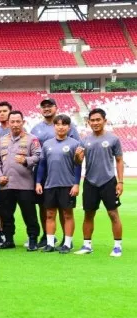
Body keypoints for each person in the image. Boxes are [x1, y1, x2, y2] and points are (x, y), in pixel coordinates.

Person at [30, 98, 80, 248]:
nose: (46, 108)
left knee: (66, 212)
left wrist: (76, 183)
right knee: (45, 209)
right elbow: (41, 160)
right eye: (43, 106)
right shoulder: (36, 129)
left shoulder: (72, 134)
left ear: (56, 108)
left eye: (50, 106)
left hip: (66, 178)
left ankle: (67, 240)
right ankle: (48, 238)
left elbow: (77, 159)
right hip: (46, 178)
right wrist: (38, 181)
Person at [74, 108, 124, 257]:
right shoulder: (84, 140)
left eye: (98, 120)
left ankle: (117, 246)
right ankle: (87, 245)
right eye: (92, 120)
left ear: (104, 121)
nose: (95, 123)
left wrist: (120, 182)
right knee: (88, 215)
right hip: (90, 182)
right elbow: (78, 162)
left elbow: (119, 160)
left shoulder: (113, 139)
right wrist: (77, 157)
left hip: (108, 181)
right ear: (88, 122)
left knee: (113, 214)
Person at [0, 111, 41, 250]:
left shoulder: (32, 139)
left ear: (23, 122)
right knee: (6, 214)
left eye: (17, 121)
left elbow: (38, 156)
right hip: (5, 185)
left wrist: (26, 160)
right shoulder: (2, 140)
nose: (15, 125)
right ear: (8, 123)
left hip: (25, 185)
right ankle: (8, 240)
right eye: (12, 122)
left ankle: (32, 239)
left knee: (29, 214)